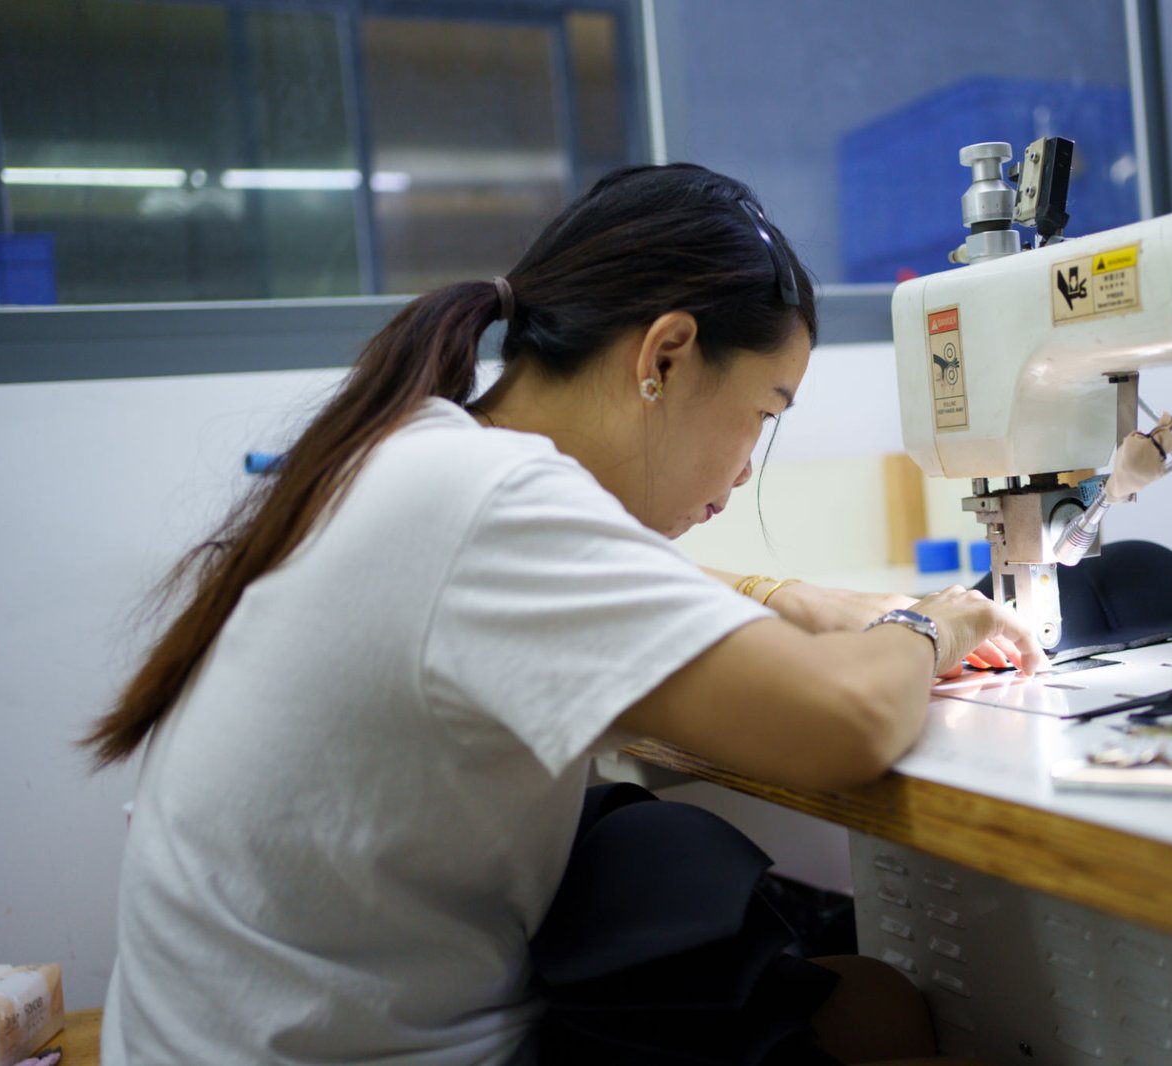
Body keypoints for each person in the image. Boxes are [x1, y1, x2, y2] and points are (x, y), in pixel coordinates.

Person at [84, 163, 1044, 1065]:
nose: (750, 462)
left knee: (873, 1002)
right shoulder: (490, 500)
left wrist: (785, 597)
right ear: (665, 354)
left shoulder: (419, 454)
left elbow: (585, 588)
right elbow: (845, 724)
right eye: (763, 412)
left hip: (243, 1033)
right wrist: (935, 623)